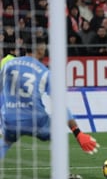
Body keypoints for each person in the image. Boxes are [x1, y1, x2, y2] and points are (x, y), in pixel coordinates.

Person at [0, 38, 100, 169]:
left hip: (10, 119)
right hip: (35, 120)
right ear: (40, 50)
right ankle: (62, 174)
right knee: (58, 136)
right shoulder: (44, 72)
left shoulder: (8, 64)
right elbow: (59, 105)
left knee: (6, 141)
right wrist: (77, 132)